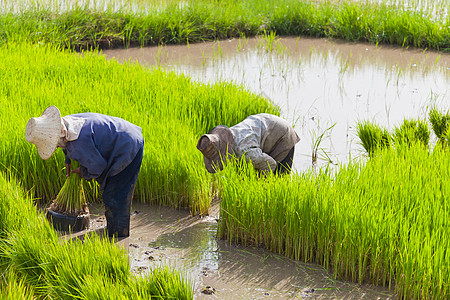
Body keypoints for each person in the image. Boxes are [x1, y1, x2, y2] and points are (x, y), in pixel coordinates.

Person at [25, 106, 144, 238]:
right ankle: (114, 228)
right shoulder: (69, 123)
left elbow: (98, 167)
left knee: (115, 196)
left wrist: (82, 172)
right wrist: (68, 159)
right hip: (124, 133)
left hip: (127, 147)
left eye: (56, 144)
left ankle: (118, 235)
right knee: (113, 194)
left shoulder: (78, 143)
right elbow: (68, 142)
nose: (57, 146)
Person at [197, 113, 300, 175]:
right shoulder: (228, 138)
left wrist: (262, 186)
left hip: (282, 136)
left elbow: (270, 164)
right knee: (252, 170)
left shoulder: (245, 151)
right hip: (267, 125)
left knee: (280, 179)